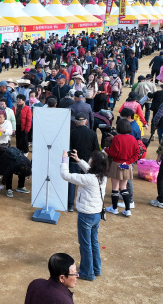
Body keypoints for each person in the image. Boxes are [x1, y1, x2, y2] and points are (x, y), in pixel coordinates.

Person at [61, 149, 108, 281]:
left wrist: (64, 160)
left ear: (95, 163)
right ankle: (96, 269)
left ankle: (87, 272)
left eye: (91, 159)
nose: (90, 160)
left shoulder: (88, 179)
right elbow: (89, 170)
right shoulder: (102, 175)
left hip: (86, 215)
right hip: (96, 214)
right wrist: (78, 160)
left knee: (85, 244)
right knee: (93, 242)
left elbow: (66, 175)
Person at [104, 118, 141, 217]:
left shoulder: (117, 138)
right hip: (127, 165)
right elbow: (137, 153)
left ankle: (114, 208)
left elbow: (113, 153)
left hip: (116, 164)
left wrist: (106, 149)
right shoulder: (133, 138)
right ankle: (127, 210)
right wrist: (128, 162)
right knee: (124, 187)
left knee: (115, 188)